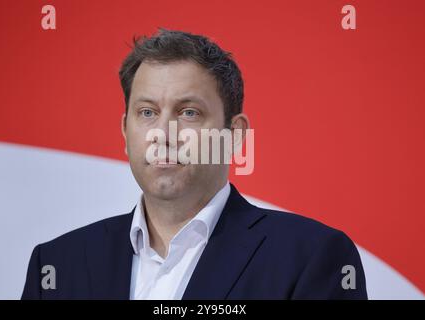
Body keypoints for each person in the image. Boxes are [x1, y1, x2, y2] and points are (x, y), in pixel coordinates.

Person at [22, 28, 367, 299]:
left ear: (234, 134)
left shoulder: (311, 258)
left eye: (189, 112)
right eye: (147, 112)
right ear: (125, 132)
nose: (164, 133)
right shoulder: (56, 265)